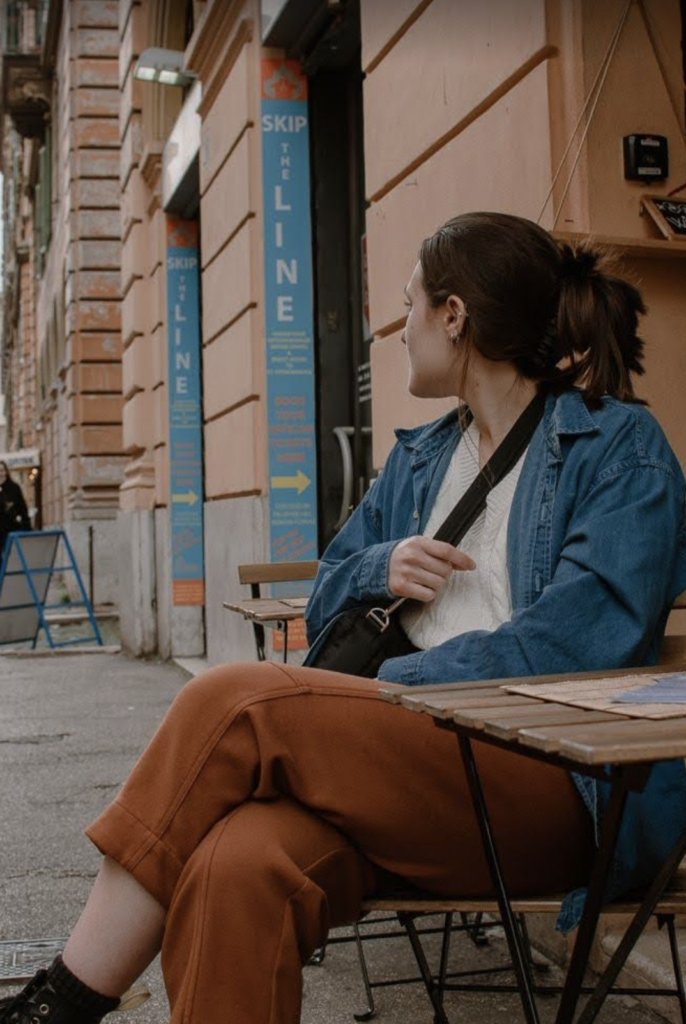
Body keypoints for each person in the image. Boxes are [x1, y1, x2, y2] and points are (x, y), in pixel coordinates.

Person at [2, 212, 686, 1024]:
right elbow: (330, 584)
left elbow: (578, 640)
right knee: (237, 861)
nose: (396, 330)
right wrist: (379, 565)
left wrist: (394, 692)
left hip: (555, 787)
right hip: (406, 775)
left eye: (409, 306)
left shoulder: (618, 448)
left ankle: (63, 1004)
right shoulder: (422, 458)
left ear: (455, 316)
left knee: (233, 703)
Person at [0, 461, 31, 562]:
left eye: (2, 470)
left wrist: (27, 526)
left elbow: (22, 508)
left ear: (6, 472)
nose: (0, 473)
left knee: (11, 558)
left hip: (11, 528)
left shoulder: (14, 487)